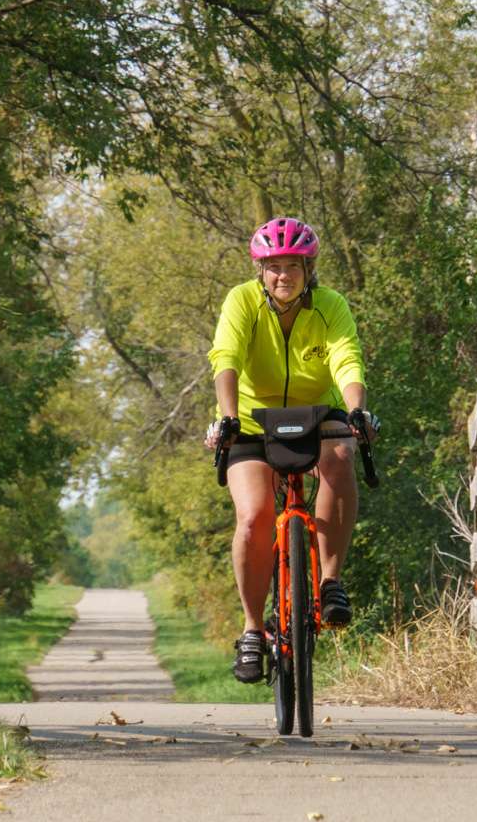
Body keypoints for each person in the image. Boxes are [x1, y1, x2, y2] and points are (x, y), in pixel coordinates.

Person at [204, 217, 375, 683]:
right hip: (253, 418)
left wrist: (357, 409)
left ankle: (330, 583)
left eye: (293, 266)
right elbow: (227, 357)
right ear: (260, 270)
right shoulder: (241, 302)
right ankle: (253, 630)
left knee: (341, 457)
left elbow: (346, 357)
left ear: (308, 268)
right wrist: (228, 415)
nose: (284, 276)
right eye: (274, 266)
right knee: (255, 516)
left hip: (319, 413)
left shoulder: (330, 306)